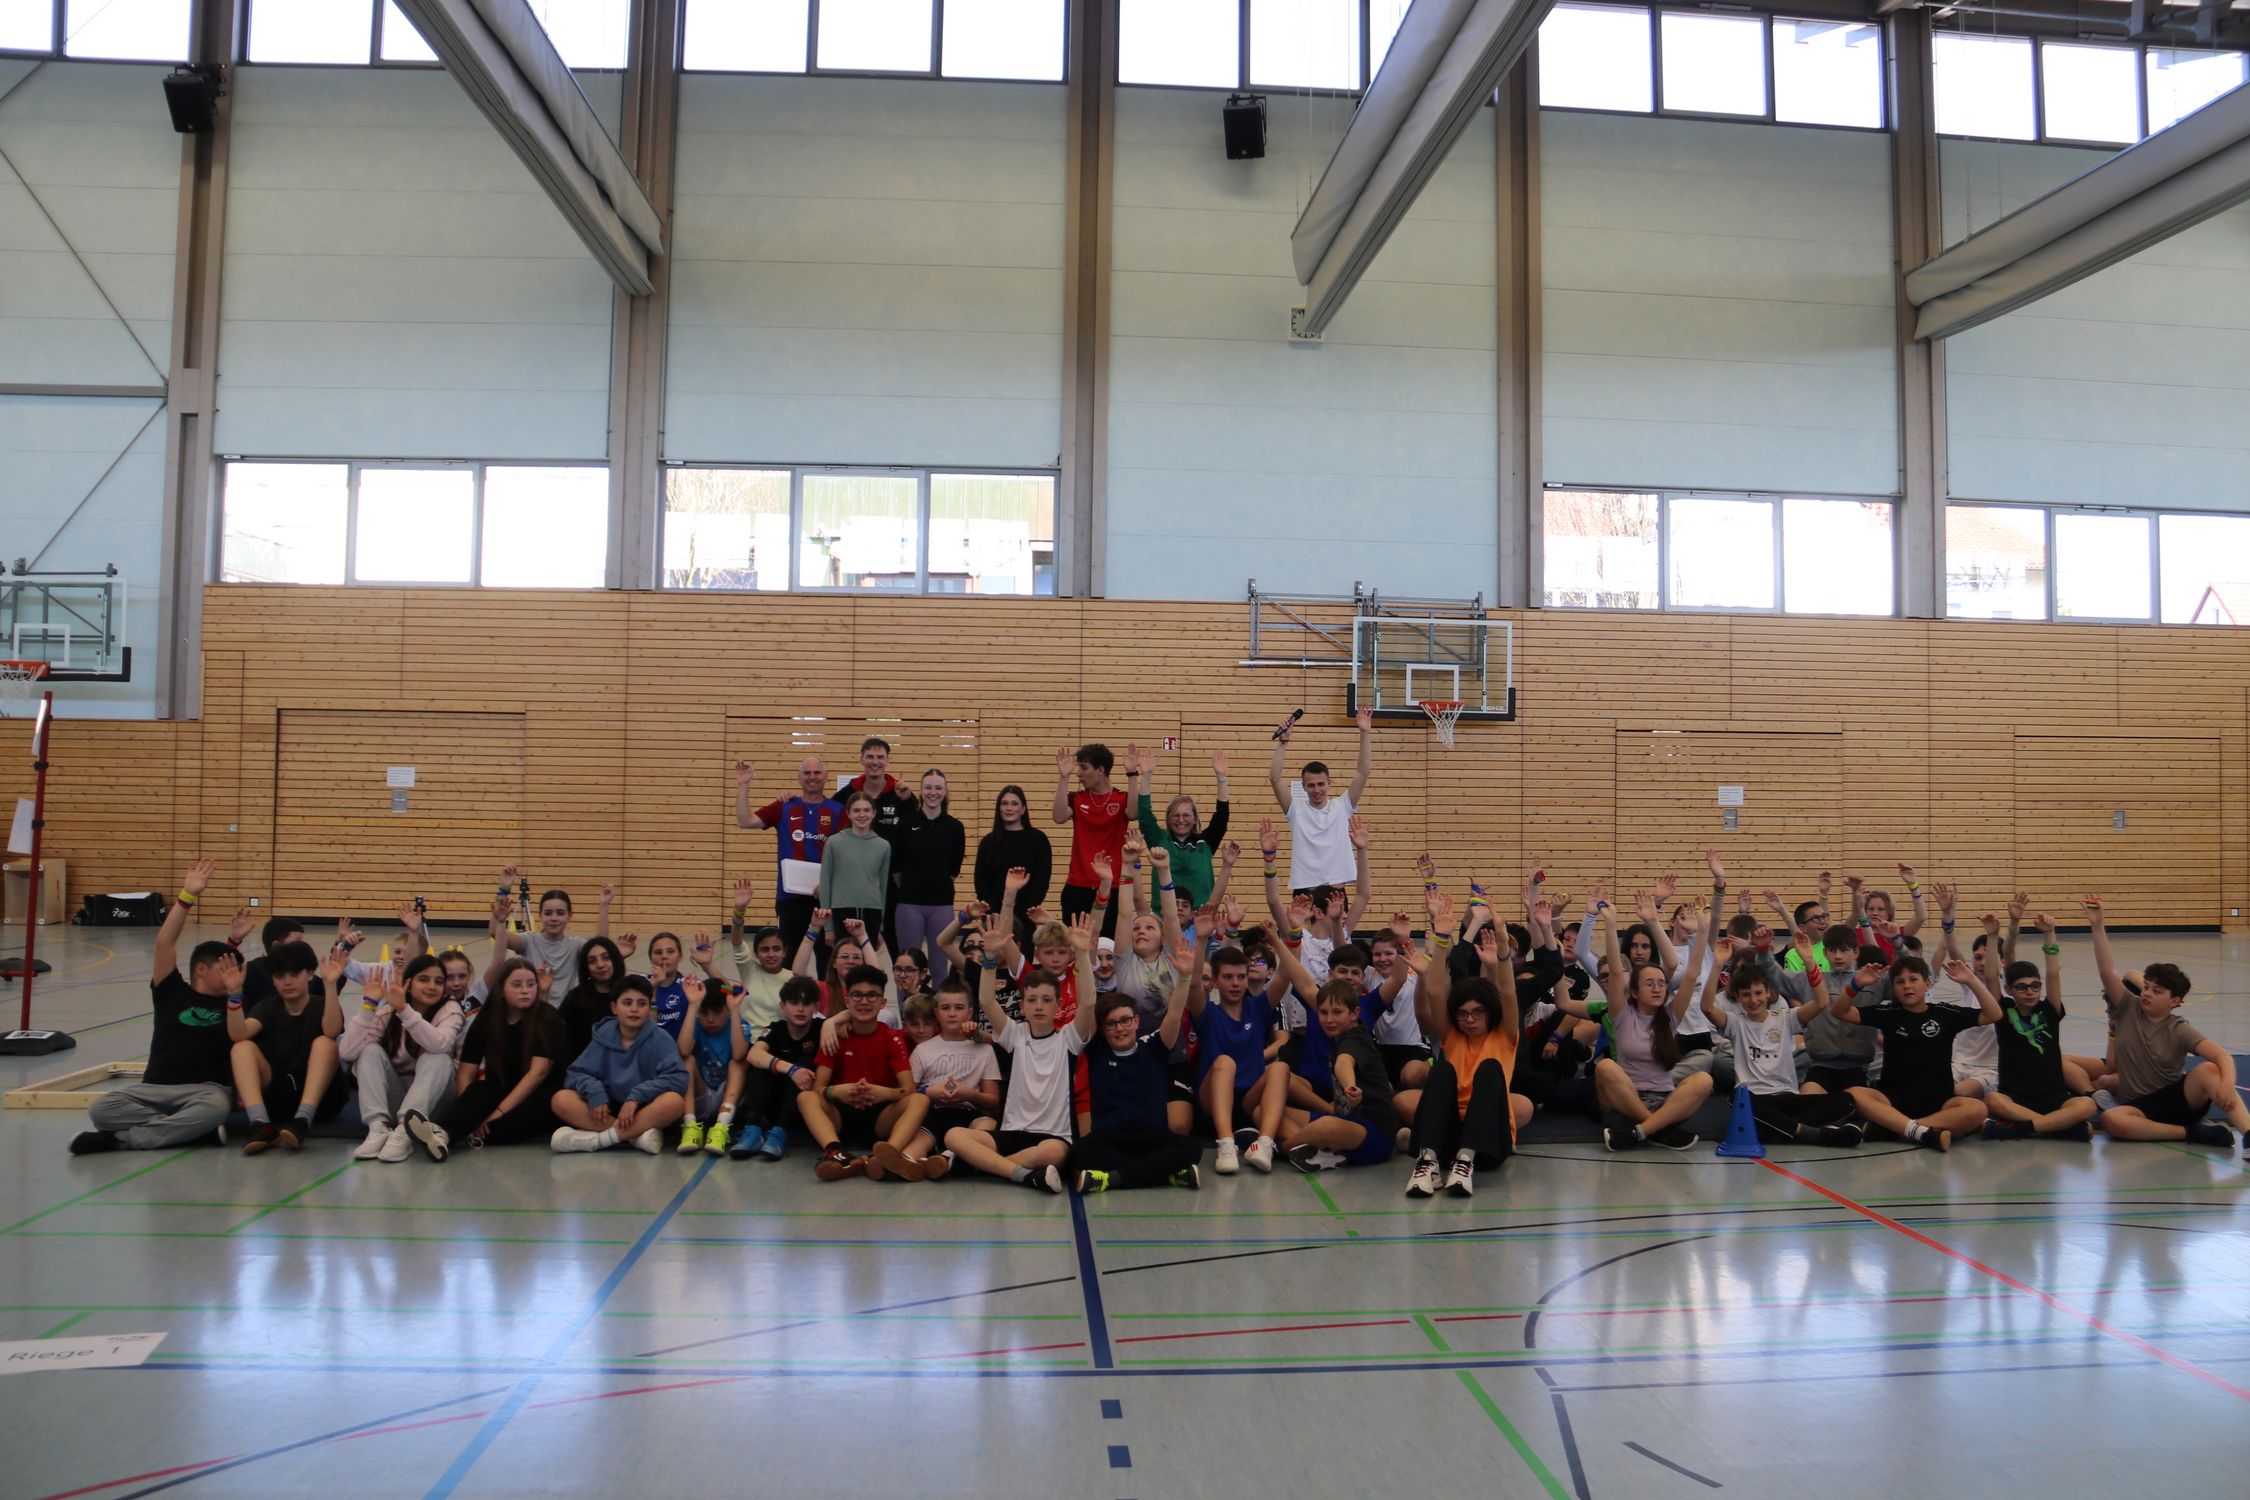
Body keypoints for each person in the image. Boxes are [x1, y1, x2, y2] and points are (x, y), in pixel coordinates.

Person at [73, 860, 246, 1154]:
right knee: (101, 1109)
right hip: (153, 1090)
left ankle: (121, 1140)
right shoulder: (171, 992)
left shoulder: (234, 1003)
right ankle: (189, 1132)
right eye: (225, 968)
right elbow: (165, 943)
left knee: (215, 1108)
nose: (233, 974)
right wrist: (187, 896)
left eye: (236, 969)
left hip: (204, 1092)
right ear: (201, 970)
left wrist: (234, 988)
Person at [1553, 882, 1713, 1153]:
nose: (1658, 988)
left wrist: (1699, 932)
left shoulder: (1670, 1017)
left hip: (1664, 1102)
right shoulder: (1622, 1014)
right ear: (1635, 991)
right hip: (1624, 1104)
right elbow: (1616, 972)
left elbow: (1692, 973)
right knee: (1605, 1067)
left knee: (1704, 1080)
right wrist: (1610, 923)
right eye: (1650, 984)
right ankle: (1659, 1129)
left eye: (1661, 984)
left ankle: (1641, 1131)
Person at [2086, 896, 2248, 1149]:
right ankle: (2192, 1133)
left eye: (2157, 991)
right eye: (2146, 987)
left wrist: (2227, 1085)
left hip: (2176, 1100)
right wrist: (2098, 926)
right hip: (2139, 1106)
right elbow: (2107, 971)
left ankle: (2248, 1133)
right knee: (2112, 1120)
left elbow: (2221, 1056)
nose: (2147, 994)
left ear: (2174, 1001)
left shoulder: (2178, 1028)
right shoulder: (2128, 1007)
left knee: (2208, 1070)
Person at [948, 912, 1091, 1193]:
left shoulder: (1069, 1039)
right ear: (1022, 1006)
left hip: (1052, 1137)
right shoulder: (1015, 1034)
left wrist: (1083, 955)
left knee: (1054, 1153)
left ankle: (980, 1166)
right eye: (1032, 1000)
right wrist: (990, 958)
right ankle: (1024, 1176)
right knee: (954, 1135)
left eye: (1047, 1000)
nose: (1039, 1006)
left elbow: (1087, 1004)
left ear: (1058, 1005)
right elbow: (987, 1000)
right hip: (1012, 1134)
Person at [1401, 909, 1527, 1197]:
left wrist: (1503, 946)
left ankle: (1465, 1163)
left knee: (1490, 1068)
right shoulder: (1453, 1035)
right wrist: (1441, 938)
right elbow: (1435, 991)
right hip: (1448, 1137)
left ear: (1489, 1012)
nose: (1469, 1019)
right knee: (1442, 1069)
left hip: (1488, 1144)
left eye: (1477, 1012)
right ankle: (1428, 1163)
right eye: (1462, 1013)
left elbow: (1508, 993)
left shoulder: (1505, 1034)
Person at [1698, 932, 1863, 1146]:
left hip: (1787, 1096)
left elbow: (1822, 1002)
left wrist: (1809, 961)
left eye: (1758, 993)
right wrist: (1717, 965)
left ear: (1768, 993)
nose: (1753, 1000)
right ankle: (1812, 1134)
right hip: (1754, 1097)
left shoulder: (1785, 1018)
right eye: (1746, 995)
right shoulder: (1735, 1023)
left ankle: (1775, 1131)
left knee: (1846, 1101)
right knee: (1737, 1099)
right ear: (1737, 997)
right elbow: (1706, 1007)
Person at [1831, 954, 1998, 1152]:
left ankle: (1894, 1129)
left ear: (1927, 984)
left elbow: (1993, 1014)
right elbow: (1839, 1011)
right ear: (1894, 988)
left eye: (1913, 979)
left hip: (1939, 1101)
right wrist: (1856, 984)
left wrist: (1972, 980)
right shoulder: (1888, 1013)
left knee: (1977, 1109)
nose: (1907, 986)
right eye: (1900, 982)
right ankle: (1924, 1131)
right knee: (1854, 1093)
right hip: (1892, 1099)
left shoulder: (1944, 1013)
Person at [1073, 955, 1204, 1193]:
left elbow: (1174, 1015)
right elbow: (1087, 1004)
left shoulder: (1153, 1047)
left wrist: (1184, 976)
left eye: (1125, 1020)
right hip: (1109, 1139)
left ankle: (1112, 1179)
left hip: (1153, 1139)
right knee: (1078, 1152)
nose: (1120, 1028)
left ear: (1136, 1021)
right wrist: (1082, 954)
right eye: (1111, 1024)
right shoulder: (1097, 1051)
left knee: (1192, 1148)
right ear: (1103, 1029)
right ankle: (1163, 1174)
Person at [800, 965, 933, 1181]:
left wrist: (884, 1093)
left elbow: (909, 1089)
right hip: (840, 1115)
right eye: (857, 995)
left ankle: (886, 1155)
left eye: (872, 995)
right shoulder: (834, 1036)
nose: (864, 1001)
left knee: (920, 1100)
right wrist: (836, 1091)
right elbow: (818, 1089)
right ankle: (836, 1153)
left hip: (880, 1118)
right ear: (847, 1001)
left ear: (882, 1002)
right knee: (806, 1098)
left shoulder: (892, 1038)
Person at [1977, 911, 2097, 1141]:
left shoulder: (2049, 1011)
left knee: (2086, 1105)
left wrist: (2049, 934)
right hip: (2015, 1097)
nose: (2030, 991)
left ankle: (2022, 1128)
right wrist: (1992, 937)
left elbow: (2053, 974)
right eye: (2022, 987)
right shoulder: (2003, 1013)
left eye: (2035, 986)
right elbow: (1991, 976)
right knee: (1992, 1100)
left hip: (2054, 1096)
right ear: (2009, 990)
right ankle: (2060, 1127)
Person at [340, 954, 466, 1163]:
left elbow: (440, 1044)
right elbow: (347, 1053)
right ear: (408, 983)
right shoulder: (389, 1011)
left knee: (438, 1057)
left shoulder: (450, 1009)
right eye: (423, 979)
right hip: (397, 1103)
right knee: (369, 1051)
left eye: (438, 981)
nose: (432, 986)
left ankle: (406, 1133)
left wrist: (405, 1010)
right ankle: (378, 1128)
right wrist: (369, 1005)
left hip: (437, 1103)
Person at [226, 936, 345, 1154]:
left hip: (322, 1103)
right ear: (273, 980)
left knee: (325, 1043)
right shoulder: (267, 1007)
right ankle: (260, 1125)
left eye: (294, 974)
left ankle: (302, 1121)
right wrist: (234, 996)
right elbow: (239, 1033)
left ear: (310, 974)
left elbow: (332, 1030)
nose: (287, 982)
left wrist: (330, 985)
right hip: (277, 1100)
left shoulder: (321, 1005)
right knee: (241, 1048)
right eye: (280, 976)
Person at [1108, 838, 1194, 1135]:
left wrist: (1164, 871)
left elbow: (1170, 915)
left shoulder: (1173, 957)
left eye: (1149, 927)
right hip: (1132, 1055)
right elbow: (1124, 913)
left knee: (1179, 1126)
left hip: (1172, 1056)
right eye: (1137, 928)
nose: (1141, 931)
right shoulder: (1124, 961)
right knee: (1134, 1124)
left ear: (1162, 936)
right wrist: (1126, 865)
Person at [437, 957, 565, 1152]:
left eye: (531, 984)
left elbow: (537, 1074)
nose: (525, 990)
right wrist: (469, 1112)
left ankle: (470, 1133)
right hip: (501, 1087)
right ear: (501, 989)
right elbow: (465, 1073)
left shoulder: (547, 1017)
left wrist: (498, 1113)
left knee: (497, 1129)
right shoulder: (487, 1020)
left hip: (538, 1093)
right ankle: (441, 1136)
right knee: (480, 1091)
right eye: (517, 985)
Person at [550, 975, 690, 1153]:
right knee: (561, 1099)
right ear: (614, 1008)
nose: (634, 1009)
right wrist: (595, 1092)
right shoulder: (603, 1036)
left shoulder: (660, 1038)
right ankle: (635, 1137)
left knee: (674, 1102)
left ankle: (600, 1140)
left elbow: (678, 1078)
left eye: (641, 1004)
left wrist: (636, 1097)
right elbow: (575, 1073)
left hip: (644, 1108)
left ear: (649, 1008)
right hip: (608, 1107)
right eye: (627, 1003)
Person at [1276, 979, 1402, 1175]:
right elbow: (1305, 984)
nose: (1329, 1019)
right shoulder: (1338, 1037)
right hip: (1345, 1119)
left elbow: (1344, 1063)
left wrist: (1350, 1087)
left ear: (1354, 1014)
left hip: (1375, 1134)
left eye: (1337, 1012)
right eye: (1323, 1013)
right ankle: (1314, 1148)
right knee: (1269, 1112)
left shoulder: (1356, 1038)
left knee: (1326, 1126)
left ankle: (1281, 1149)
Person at [1187, 940, 1291, 1175]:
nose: (1235, 983)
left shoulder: (1258, 1008)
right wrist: (1201, 939)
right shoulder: (1207, 1013)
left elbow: (1285, 974)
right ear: (1215, 981)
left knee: (1280, 1068)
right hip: (1211, 1103)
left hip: (1248, 1102)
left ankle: (1264, 1144)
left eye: (1241, 977)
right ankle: (1226, 1144)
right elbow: (1193, 984)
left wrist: (1287, 933)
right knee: (1225, 1062)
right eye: (1228, 977)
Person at [737, 757, 845, 959]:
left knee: (828, 964)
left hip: (825, 900)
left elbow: (845, 856)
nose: (812, 777)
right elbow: (745, 821)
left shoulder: (838, 811)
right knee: (787, 963)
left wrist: (829, 884)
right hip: (790, 901)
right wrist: (744, 784)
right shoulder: (783, 807)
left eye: (817, 773)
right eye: (807, 773)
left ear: (826, 777)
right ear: (799, 777)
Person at [1269, 707, 1372, 892]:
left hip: (1335, 892)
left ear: (1329, 783)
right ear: (1303, 786)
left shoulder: (1342, 806)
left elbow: (1362, 773)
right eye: (1311, 785)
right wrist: (1283, 742)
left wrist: (1365, 734)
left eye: (1321, 784)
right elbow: (1275, 779)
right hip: (1305, 892)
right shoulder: (1296, 810)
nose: (1317, 790)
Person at [902, 982, 998, 1173]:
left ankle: (947, 1158)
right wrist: (928, 1092)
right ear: (937, 1013)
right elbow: (907, 1093)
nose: (952, 1014)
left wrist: (969, 1094)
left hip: (968, 1114)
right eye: (946, 1008)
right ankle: (910, 1162)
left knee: (988, 1124)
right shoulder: (922, 1049)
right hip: (933, 1112)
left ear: (969, 1013)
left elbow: (993, 1101)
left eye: (959, 1008)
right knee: (918, 1138)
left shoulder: (985, 1050)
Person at [486, 865, 615, 1006]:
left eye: (560, 913)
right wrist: (504, 889)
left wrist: (604, 906)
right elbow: (495, 932)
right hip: (534, 1012)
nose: (554, 918)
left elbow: (600, 946)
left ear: (569, 915)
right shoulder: (529, 941)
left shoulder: (575, 945)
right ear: (540, 915)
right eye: (548, 913)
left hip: (565, 1013)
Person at [731, 975, 824, 1161]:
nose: (800, 1009)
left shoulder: (822, 1027)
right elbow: (753, 1054)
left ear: (816, 1007)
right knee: (761, 1066)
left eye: (806, 1003)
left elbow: (848, 1017)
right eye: (794, 1002)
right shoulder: (777, 1028)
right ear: (782, 1007)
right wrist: (791, 1070)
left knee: (807, 1063)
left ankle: (779, 1133)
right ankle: (753, 1130)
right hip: (773, 1102)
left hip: (801, 1106)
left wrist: (832, 1024)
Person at [1133, 746, 1231, 910]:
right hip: (1164, 916)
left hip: (1199, 916)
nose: (1180, 820)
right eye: (1175, 815)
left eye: (1186, 816)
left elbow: (1221, 818)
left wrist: (1222, 779)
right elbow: (1144, 814)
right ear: (1168, 819)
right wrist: (1146, 776)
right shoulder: (1159, 839)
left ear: (1195, 819)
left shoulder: (1205, 842)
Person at [893, 769, 966, 987]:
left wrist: (936, 884)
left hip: (941, 905)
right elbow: (896, 867)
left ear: (945, 792)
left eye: (938, 788)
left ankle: (940, 1009)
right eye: (928, 787)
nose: (933, 792)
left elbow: (953, 869)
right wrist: (911, 887)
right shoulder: (905, 824)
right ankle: (907, 1008)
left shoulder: (955, 827)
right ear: (921, 791)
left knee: (939, 966)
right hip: (909, 904)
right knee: (907, 967)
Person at [1053, 743, 1129, 937]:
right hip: (1077, 886)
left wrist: (1134, 775)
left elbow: (1135, 813)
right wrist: (1064, 777)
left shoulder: (1122, 798)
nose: (1079, 773)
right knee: (1076, 945)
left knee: (1107, 946)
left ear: (1100, 770)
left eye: (1084, 767)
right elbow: (1059, 817)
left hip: (1112, 886)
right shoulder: (1077, 798)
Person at [974, 785, 1052, 946]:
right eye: (1004, 803)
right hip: (994, 917)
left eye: (1014, 804)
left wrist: (1022, 911)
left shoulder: (1038, 840)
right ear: (999, 808)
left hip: (1025, 917)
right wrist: (996, 912)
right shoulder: (988, 842)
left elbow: (1041, 879)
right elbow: (981, 881)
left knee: (1022, 959)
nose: (1009, 808)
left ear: (1023, 809)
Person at [676, 975, 741, 1156]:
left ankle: (721, 1126)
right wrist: (693, 1006)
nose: (711, 1019)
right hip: (702, 1096)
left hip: (728, 1096)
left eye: (718, 1012)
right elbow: (683, 1050)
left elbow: (739, 1054)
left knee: (738, 1064)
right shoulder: (696, 1025)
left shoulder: (737, 1024)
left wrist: (735, 1011)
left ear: (727, 1009)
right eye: (704, 1013)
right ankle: (690, 1127)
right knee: (687, 1060)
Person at [818, 789, 891, 948]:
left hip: (871, 913)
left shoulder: (883, 846)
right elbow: (825, 883)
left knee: (867, 960)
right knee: (843, 958)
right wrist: (828, 927)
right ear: (848, 813)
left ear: (874, 813)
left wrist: (880, 927)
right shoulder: (834, 842)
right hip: (841, 912)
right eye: (856, 810)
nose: (862, 815)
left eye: (866, 810)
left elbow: (883, 888)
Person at [559, 935, 628, 1062]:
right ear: (586, 967)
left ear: (615, 960)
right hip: (584, 1069)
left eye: (606, 958)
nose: (600, 965)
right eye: (592, 961)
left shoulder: (628, 994)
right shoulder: (575, 998)